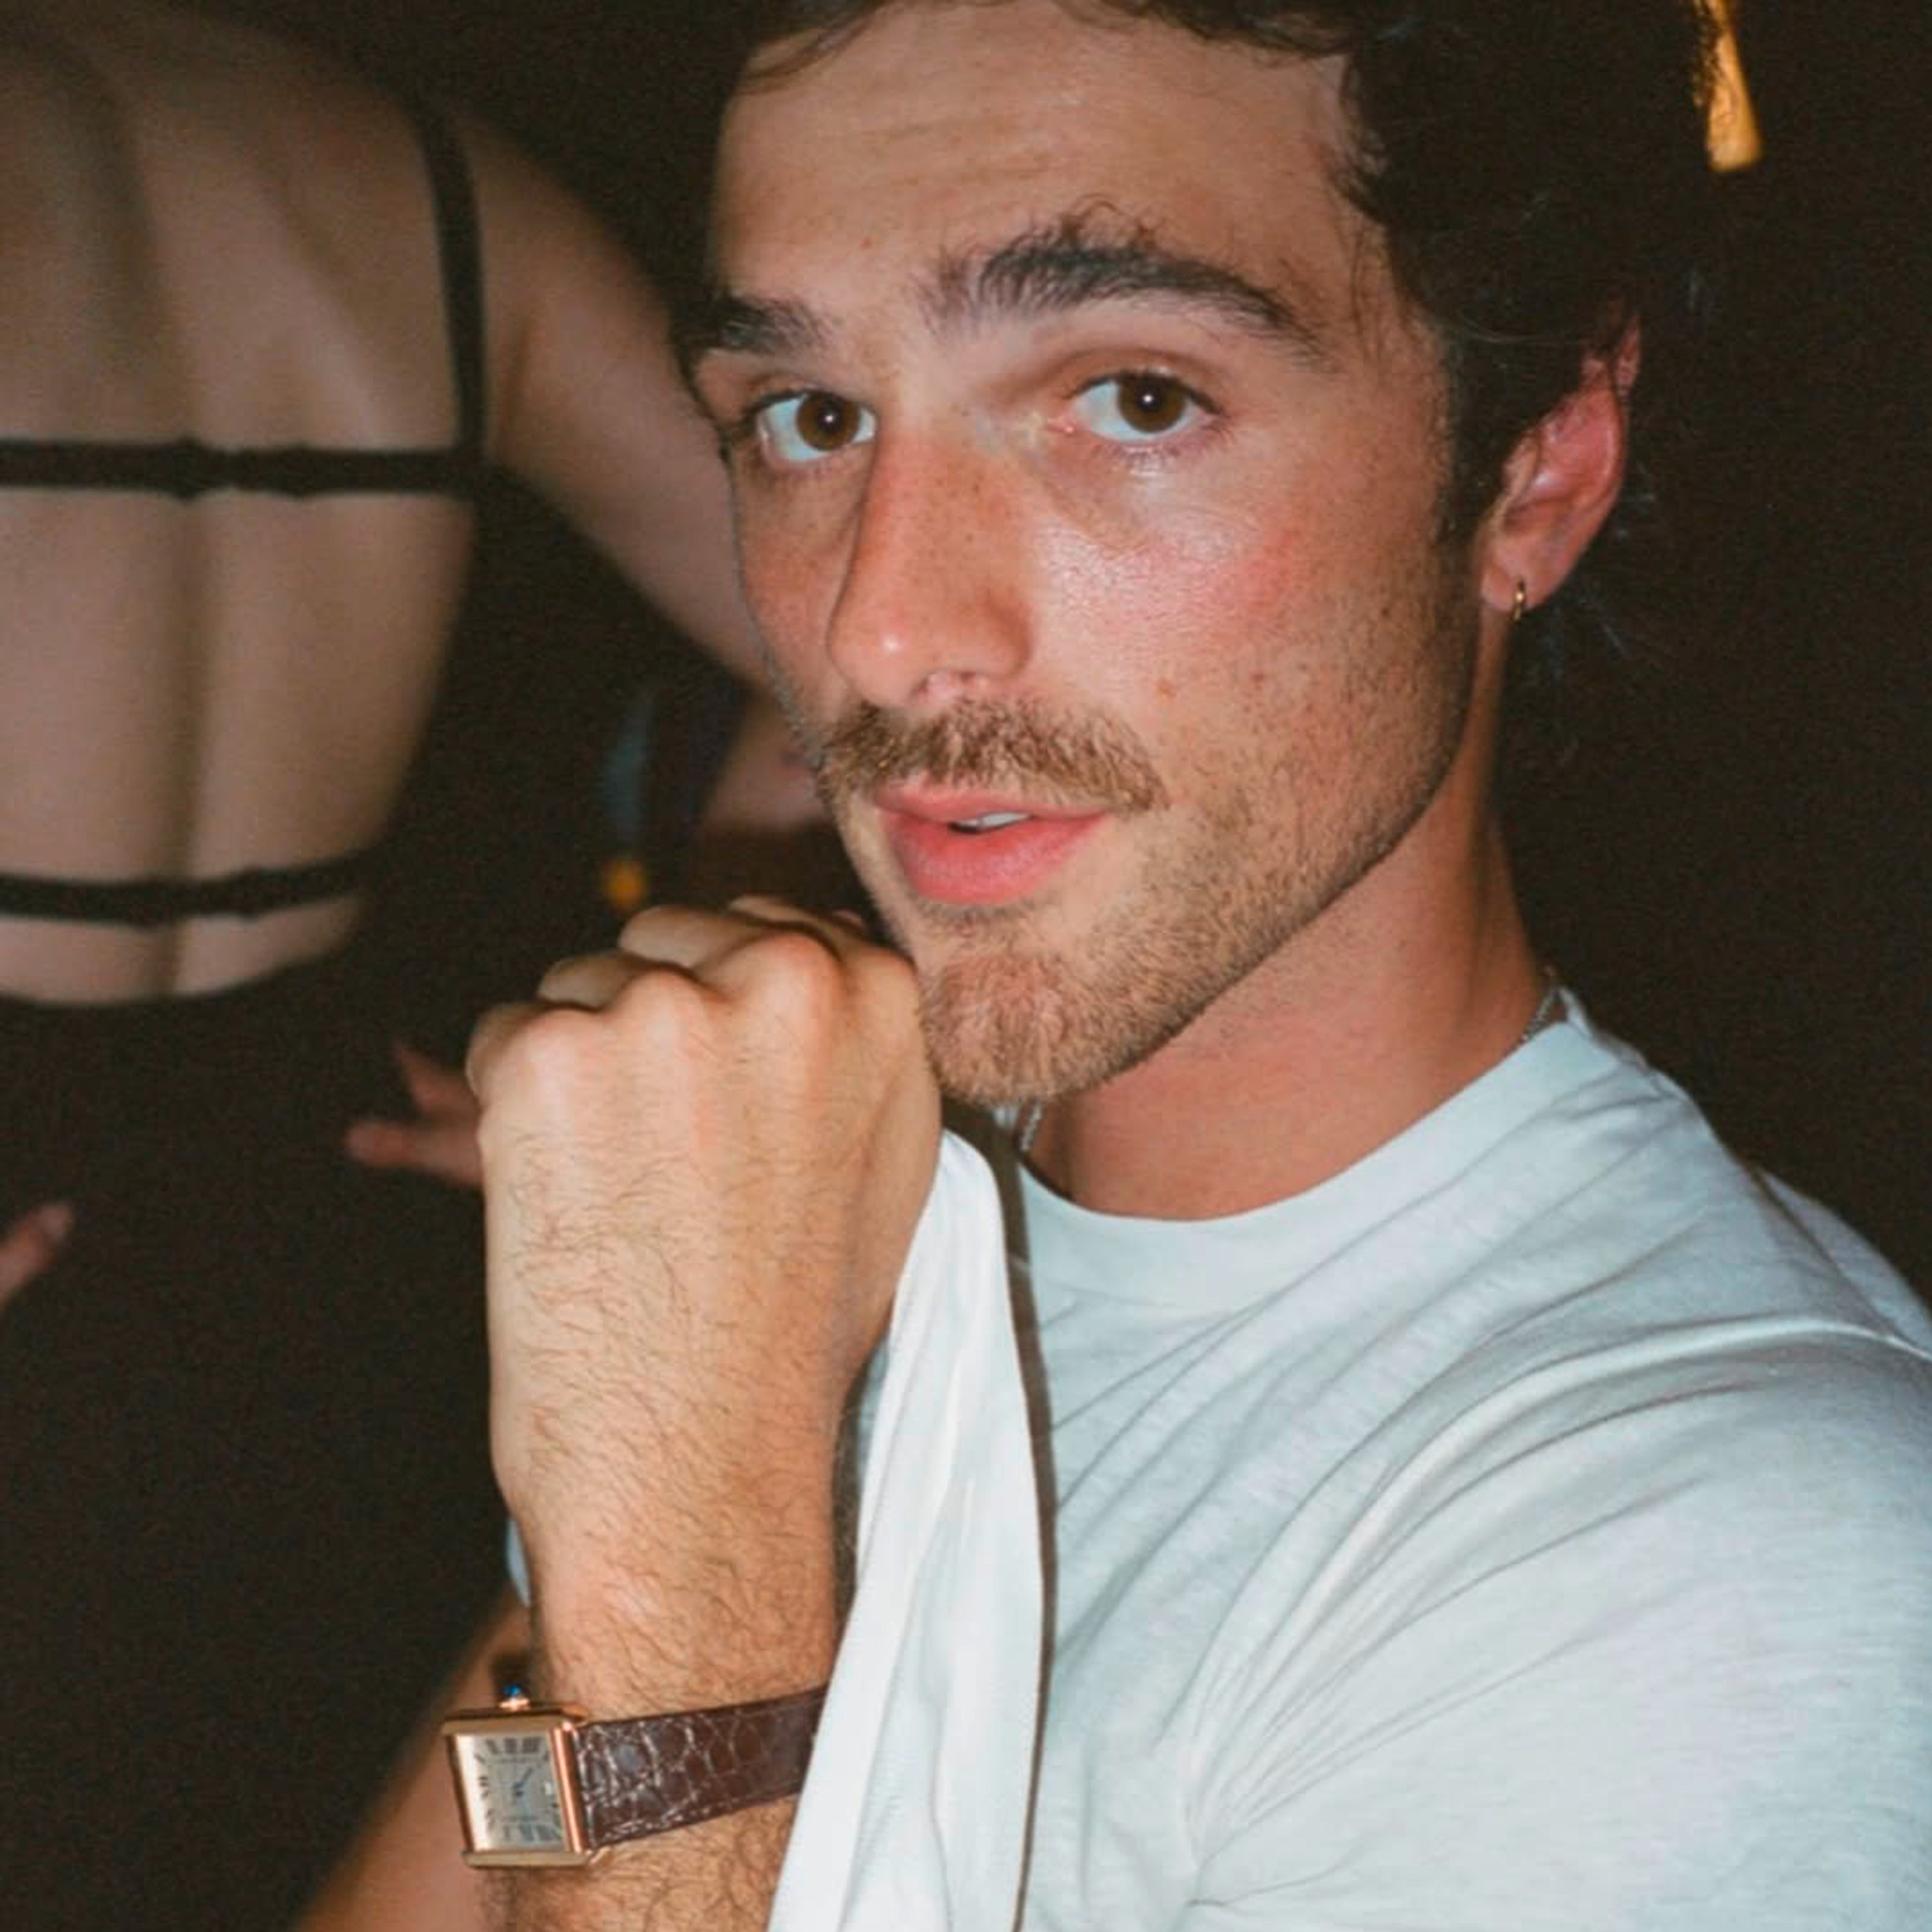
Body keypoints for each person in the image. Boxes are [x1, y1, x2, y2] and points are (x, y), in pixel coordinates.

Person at [324, 2, 1932, 1927]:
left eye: (1134, 399)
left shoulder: (1737, 1570)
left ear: (1536, 475)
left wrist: (679, 1530)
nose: (886, 627)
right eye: (811, 418)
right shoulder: (801, 1218)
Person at [0, 1, 765, 1924]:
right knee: (460, 1797)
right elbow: (877, 657)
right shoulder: (434, 188)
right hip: (346, 1220)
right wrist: (728, 961)